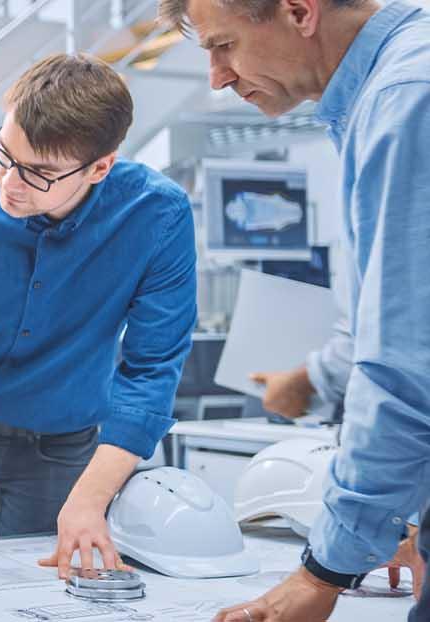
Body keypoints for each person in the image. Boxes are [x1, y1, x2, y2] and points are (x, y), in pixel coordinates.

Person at [153, 0, 430, 619]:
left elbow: (408, 366)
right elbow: (389, 315)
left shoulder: (408, 99)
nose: (217, 78)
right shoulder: (393, 86)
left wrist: (324, 570)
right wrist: (315, 378)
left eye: (223, 46)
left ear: (299, 11)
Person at [0, 53, 197, 579]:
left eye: (40, 172)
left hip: (61, 448)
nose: (10, 181)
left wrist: (90, 500)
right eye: (4, 155)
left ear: (101, 166)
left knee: (47, 590)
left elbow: (150, 371)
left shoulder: (157, 218)